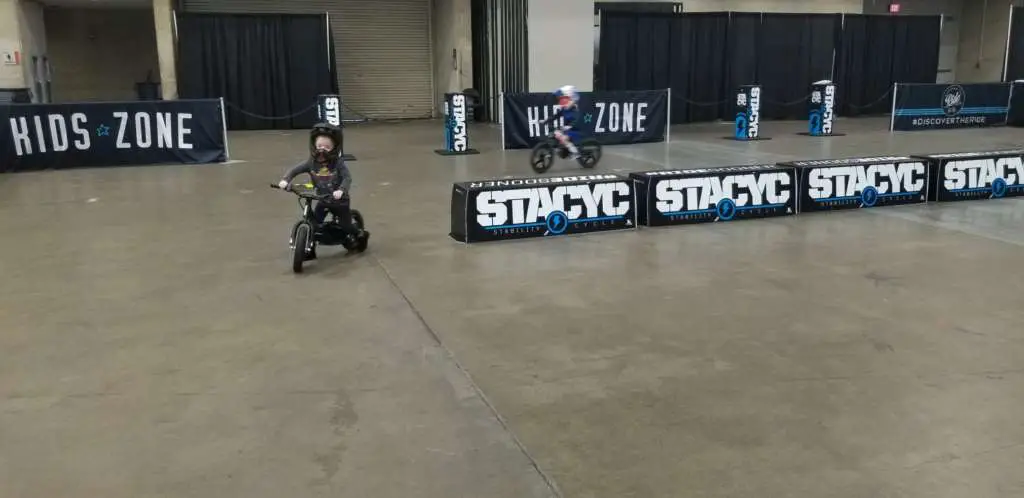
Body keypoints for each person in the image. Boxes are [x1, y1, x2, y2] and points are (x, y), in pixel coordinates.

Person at [277, 122, 368, 257]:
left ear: (334, 148)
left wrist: (341, 190)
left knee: (345, 225)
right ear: (314, 146)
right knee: (314, 224)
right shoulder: (311, 163)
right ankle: (309, 250)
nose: (322, 150)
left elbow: (347, 178)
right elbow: (296, 170)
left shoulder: (338, 163)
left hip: (339, 201)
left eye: (327, 147)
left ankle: (359, 233)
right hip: (322, 200)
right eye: (319, 146)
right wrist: (286, 180)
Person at [541, 85, 580, 160]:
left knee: (564, 138)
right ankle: (552, 152)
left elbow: (577, 120)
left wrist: (570, 126)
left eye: (563, 99)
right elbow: (555, 116)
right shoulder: (564, 109)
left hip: (575, 129)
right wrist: (545, 121)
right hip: (567, 128)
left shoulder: (574, 110)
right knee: (554, 135)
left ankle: (576, 153)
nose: (560, 100)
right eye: (560, 99)